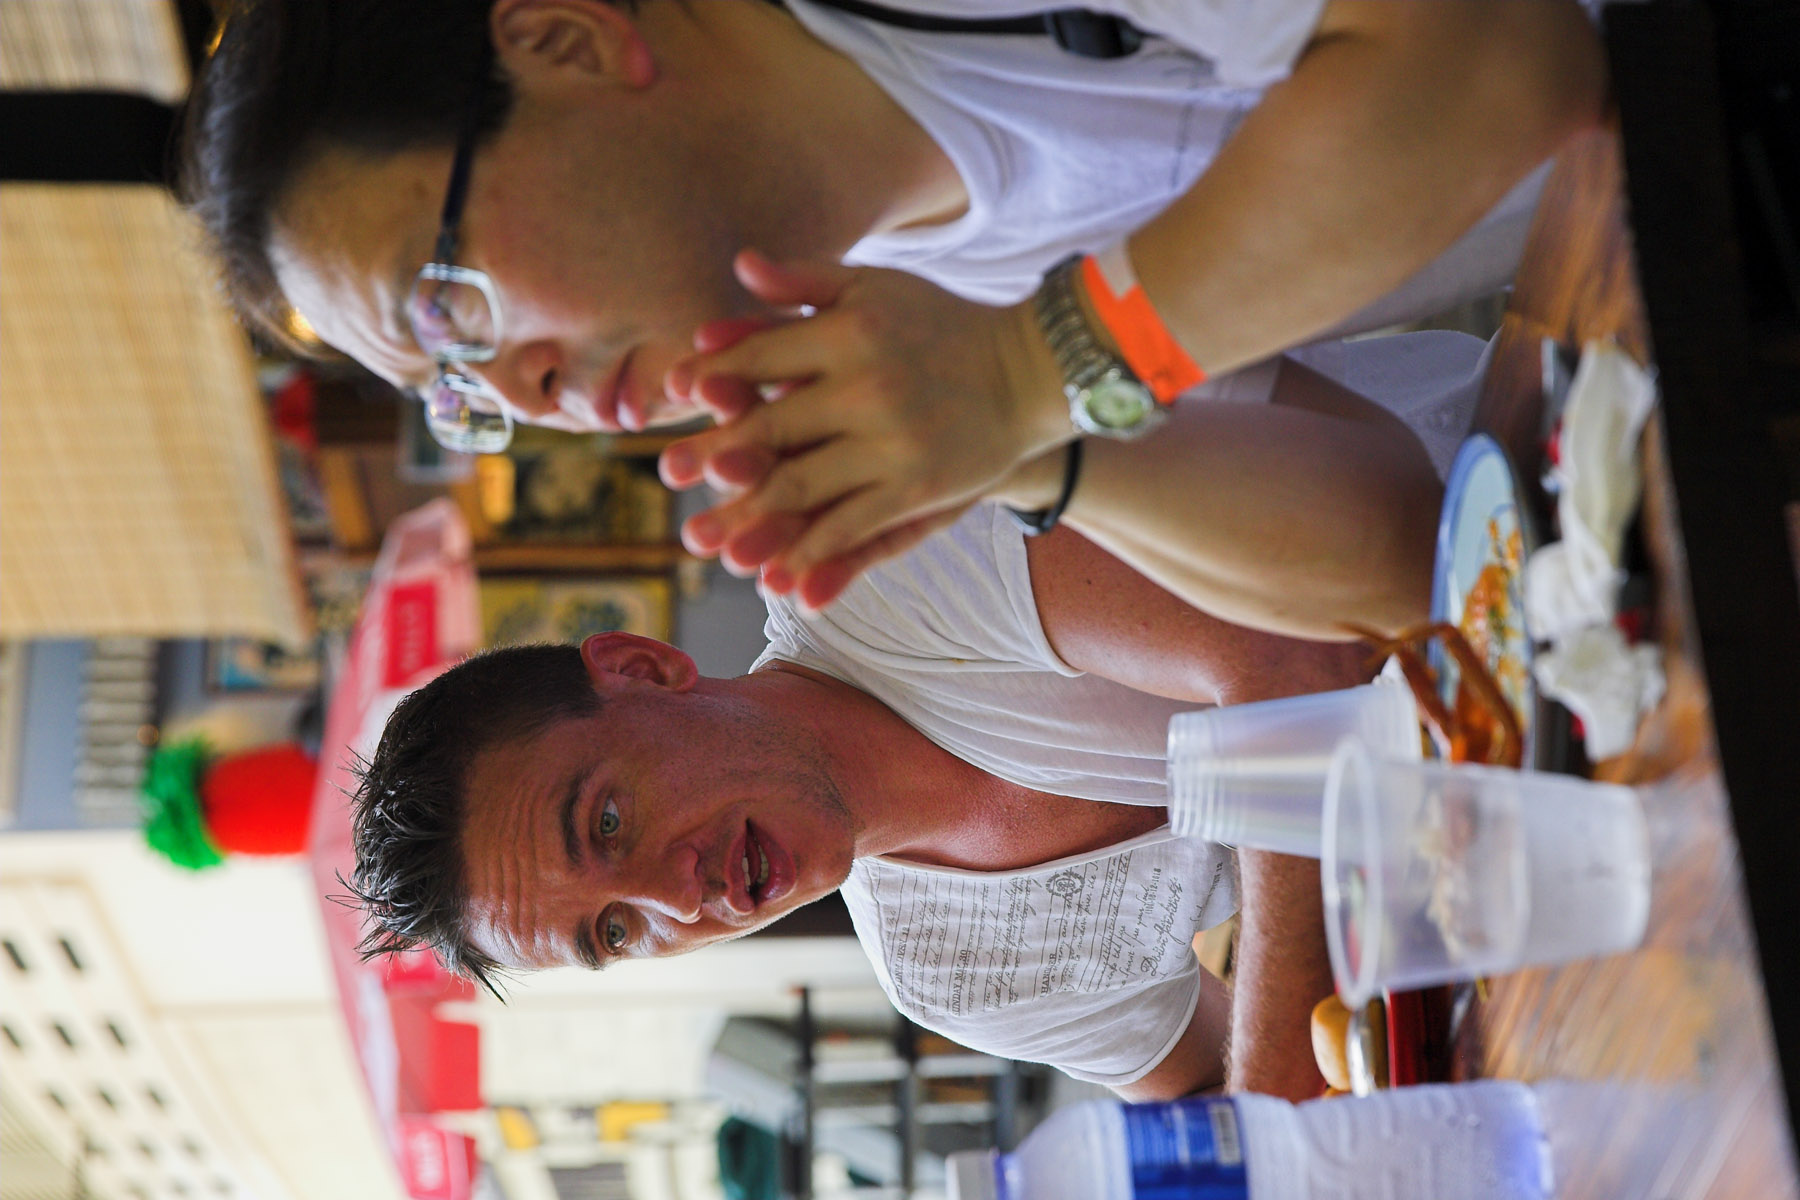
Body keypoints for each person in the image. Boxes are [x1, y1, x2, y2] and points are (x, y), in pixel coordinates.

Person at [182, 0, 1604, 639]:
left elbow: (1496, 52)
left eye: (447, 303)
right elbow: (1412, 551)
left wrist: (1043, 366)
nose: (523, 390)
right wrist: (1025, 452)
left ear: (565, 37)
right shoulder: (903, 311)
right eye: (457, 392)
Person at [348, 505, 1386, 1103]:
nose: (679, 899)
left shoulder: (865, 572)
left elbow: (1294, 651)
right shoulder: (947, 975)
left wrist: (1282, 1125)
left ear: (644, 668)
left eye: (608, 824)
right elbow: (1206, 1091)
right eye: (615, 932)